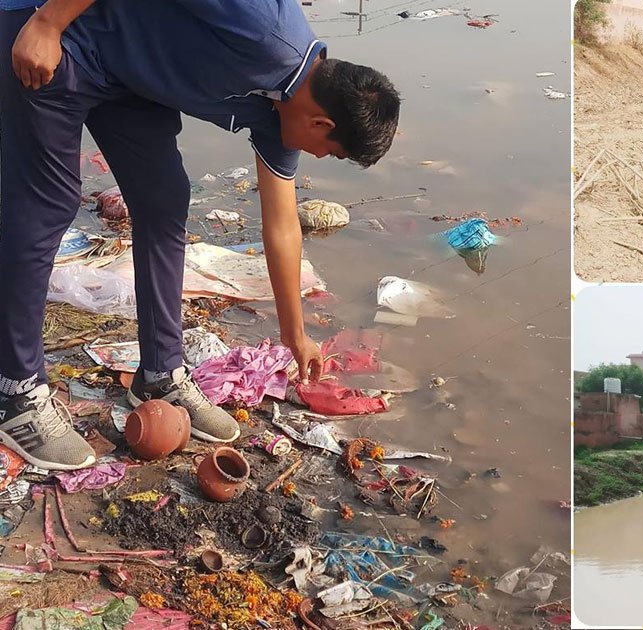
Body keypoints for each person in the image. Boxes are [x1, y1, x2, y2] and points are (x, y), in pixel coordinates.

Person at [0, 0, 401, 470]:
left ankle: (160, 373)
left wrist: (296, 335)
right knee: (48, 204)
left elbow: (282, 223)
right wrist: (48, 22)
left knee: (164, 200)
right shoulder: (260, 24)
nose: (319, 157)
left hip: (129, 78)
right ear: (321, 124)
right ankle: (16, 392)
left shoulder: (288, 110)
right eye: (329, 152)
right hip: (60, 39)